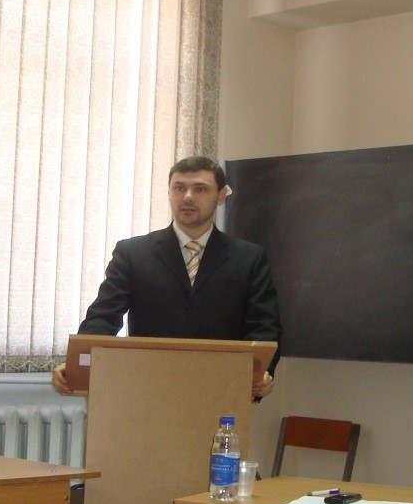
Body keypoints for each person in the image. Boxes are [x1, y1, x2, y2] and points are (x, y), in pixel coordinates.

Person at [51, 155, 282, 399]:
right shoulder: (133, 254)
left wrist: (263, 373)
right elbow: (103, 317)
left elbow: (264, 327)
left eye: (200, 189)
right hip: (147, 391)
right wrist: (76, 365)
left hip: (221, 391)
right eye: (179, 188)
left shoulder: (249, 258)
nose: (188, 197)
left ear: (221, 195)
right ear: (170, 192)